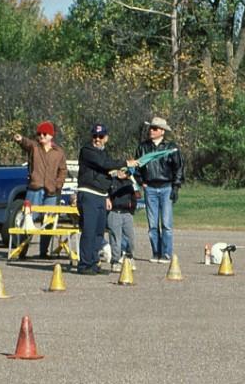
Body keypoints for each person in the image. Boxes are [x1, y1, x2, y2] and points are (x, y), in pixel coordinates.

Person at [76, 124, 138, 275]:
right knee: (89, 230)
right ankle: (84, 265)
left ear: (106, 138)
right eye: (95, 136)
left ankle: (93, 262)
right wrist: (125, 163)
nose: (97, 139)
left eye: (101, 136)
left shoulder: (104, 153)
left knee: (98, 232)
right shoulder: (87, 150)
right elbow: (103, 164)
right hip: (88, 193)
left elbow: (107, 169)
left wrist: (119, 173)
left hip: (101, 195)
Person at [13, 121, 68, 258]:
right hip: (35, 189)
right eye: (39, 134)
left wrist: (58, 185)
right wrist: (20, 140)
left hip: (51, 192)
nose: (41, 136)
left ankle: (44, 252)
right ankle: (22, 250)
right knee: (29, 219)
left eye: (44, 133)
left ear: (51, 136)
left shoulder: (59, 152)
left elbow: (63, 171)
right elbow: (26, 143)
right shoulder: (34, 147)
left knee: (48, 221)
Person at [135, 116, 185, 264]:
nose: (151, 130)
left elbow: (179, 168)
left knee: (166, 224)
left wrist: (176, 187)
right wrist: (141, 181)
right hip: (149, 188)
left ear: (162, 131)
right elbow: (137, 166)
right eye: (151, 128)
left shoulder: (171, 148)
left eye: (155, 128)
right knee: (152, 225)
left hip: (166, 187)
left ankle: (166, 254)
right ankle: (156, 252)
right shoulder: (142, 147)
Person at [107, 172, 138, 273]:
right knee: (116, 238)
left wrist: (132, 210)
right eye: (120, 170)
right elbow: (106, 194)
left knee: (130, 238)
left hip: (127, 213)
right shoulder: (111, 181)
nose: (122, 173)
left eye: (124, 171)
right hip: (114, 212)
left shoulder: (130, 183)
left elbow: (137, 196)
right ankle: (115, 261)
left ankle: (129, 257)